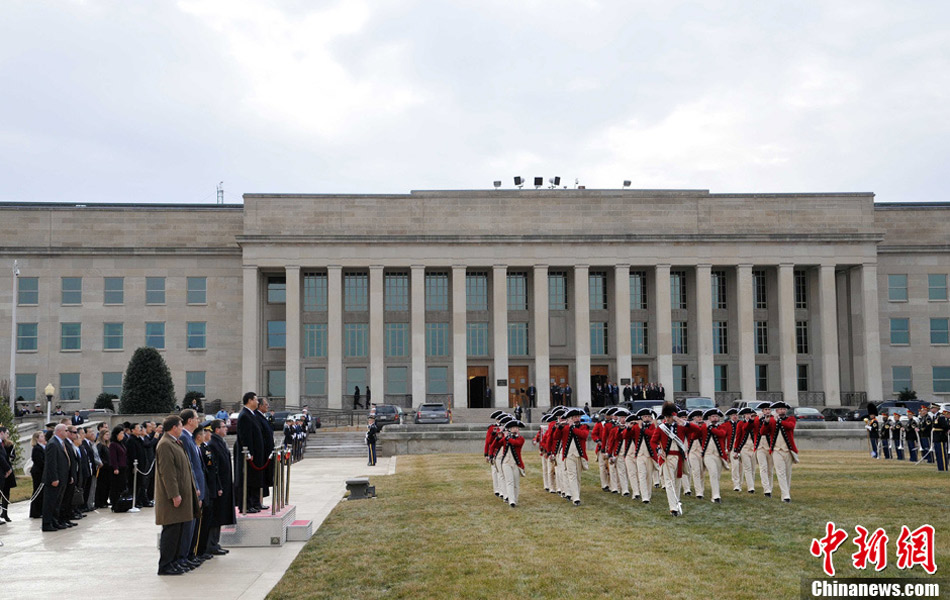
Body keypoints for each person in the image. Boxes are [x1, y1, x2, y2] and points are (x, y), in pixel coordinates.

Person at [155, 415, 199, 576]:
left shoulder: (174, 442)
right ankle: (165, 565)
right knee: (171, 532)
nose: (182, 428)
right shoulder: (165, 444)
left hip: (182, 495)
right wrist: (174, 495)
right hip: (172, 498)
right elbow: (168, 473)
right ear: (174, 427)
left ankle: (174, 562)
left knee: (178, 531)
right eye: (180, 426)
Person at [179, 409, 211, 565]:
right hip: (194, 488)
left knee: (195, 524)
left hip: (199, 487)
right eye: (197, 418)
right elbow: (189, 466)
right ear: (190, 420)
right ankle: (187, 556)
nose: (198, 421)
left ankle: (191, 554)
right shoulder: (184, 438)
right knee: (190, 525)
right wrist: (196, 488)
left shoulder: (189, 437)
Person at [234, 392, 265, 513]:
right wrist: (249, 452)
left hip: (255, 455)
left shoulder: (251, 414)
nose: (258, 402)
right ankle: (245, 505)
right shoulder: (245, 416)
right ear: (250, 400)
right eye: (256, 400)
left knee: (253, 480)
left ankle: (252, 503)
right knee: (246, 480)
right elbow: (245, 436)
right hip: (249, 455)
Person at [207, 419, 234, 555]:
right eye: (223, 427)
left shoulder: (220, 443)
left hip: (225, 484)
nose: (226, 429)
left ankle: (215, 543)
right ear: (216, 429)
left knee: (220, 515)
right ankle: (211, 544)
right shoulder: (212, 444)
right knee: (216, 516)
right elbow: (214, 468)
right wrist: (218, 486)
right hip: (219, 486)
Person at [42, 424, 73, 531]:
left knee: (57, 502)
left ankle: (54, 521)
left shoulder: (60, 443)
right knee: (50, 502)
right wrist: (54, 478)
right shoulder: (53, 444)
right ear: (59, 431)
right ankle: (47, 523)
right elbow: (51, 463)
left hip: (62, 477)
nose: (67, 432)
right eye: (66, 430)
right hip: (54, 479)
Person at [769, 402, 798, 502]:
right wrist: (765, 421)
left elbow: (790, 426)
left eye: (784, 409)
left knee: (787, 473)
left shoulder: (791, 419)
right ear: (776, 411)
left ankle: (785, 493)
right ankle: (786, 495)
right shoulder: (772, 420)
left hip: (788, 450)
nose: (782, 410)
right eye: (780, 409)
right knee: (780, 472)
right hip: (776, 450)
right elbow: (763, 432)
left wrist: (779, 421)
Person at [561, 408, 588, 506]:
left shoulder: (584, 427)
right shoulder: (566, 428)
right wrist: (558, 427)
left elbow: (583, 435)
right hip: (568, 455)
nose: (577, 418)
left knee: (578, 478)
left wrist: (573, 427)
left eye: (578, 417)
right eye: (575, 417)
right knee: (571, 476)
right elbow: (556, 436)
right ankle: (576, 498)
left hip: (579, 455)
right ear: (571, 418)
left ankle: (576, 494)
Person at [500, 419, 526, 507]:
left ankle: (515, 498)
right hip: (506, 462)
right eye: (513, 428)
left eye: (516, 428)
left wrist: (508, 438)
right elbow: (498, 443)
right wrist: (503, 436)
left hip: (516, 463)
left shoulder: (521, 439)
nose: (515, 429)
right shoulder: (506, 438)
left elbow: (516, 443)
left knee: (516, 483)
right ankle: (511, 501)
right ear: (510, 429)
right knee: (509, 481)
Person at [109, 426, 129, 508]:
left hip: (123, 468)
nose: (123, 435)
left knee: (122, 486)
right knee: (116, 487)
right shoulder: (113, 444)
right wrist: (115, 468)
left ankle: (121, 503)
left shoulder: (121, 444)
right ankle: (115, 504)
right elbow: (113, 457)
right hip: (117, 469)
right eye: (121, 433)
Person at [29, 430, 47, 518]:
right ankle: (35, 512)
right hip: (38, 472)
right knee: (37, 491)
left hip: (42, 471)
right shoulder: (37, 448)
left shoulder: (43, 447)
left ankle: (40, 510)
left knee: (42, 492)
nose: (43, 438)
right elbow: (39, 461)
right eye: (41, 436)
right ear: (37, 438)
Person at [0, 426, 15, 523]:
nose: (8, 435)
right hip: (3, 470)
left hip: (6, 470)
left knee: (6, 492)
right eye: (7, 433)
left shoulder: (9, 444)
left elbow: (11, 456)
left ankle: (4, 512)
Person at [94, 428, 112, 509]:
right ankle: (100, 502)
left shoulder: (107, 445)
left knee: (107, 486)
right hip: (103, 469)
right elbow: (99, 456)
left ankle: (104, 500)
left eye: (108, 435)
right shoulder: (100, 445)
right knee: (102, 486)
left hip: (108, 468)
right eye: (106, 435)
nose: (108, 436)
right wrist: (104, 463)